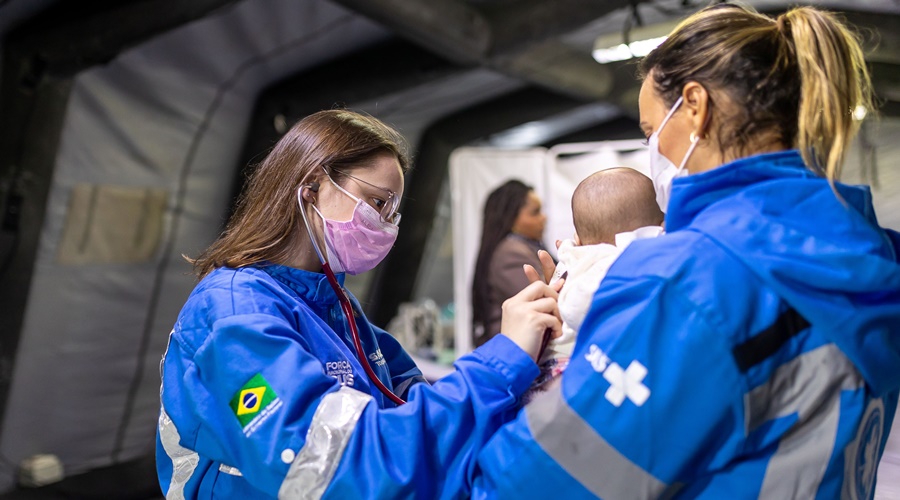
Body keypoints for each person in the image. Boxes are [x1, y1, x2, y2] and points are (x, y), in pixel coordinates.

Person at [471, 4, 900, 498]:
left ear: (695, 107)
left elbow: (533, 483)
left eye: (651, 132)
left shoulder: (689, 279)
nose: (652, 150)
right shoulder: (869, 253)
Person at [155, 110, 562, 498]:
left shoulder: (336, 308)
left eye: (393, 212)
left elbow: (418, 424)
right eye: (377, 201)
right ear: (312, 184)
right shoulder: (234, 314)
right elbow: (343, 466)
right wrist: (503, 359)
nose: (386, 224)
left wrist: (532, 368)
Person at [526, 168, 664, 398]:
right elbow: (576, 307)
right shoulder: (611, 261)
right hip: (567, 365)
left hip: (556, 364)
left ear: (578, 239)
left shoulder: (575, 255)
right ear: (658, 228)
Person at [472, 180, 548, 347]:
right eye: (535, 212)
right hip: (513, 349)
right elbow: (542, 303)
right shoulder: (511, 253)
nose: (544, 218)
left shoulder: (523, 247)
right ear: (511, 218)